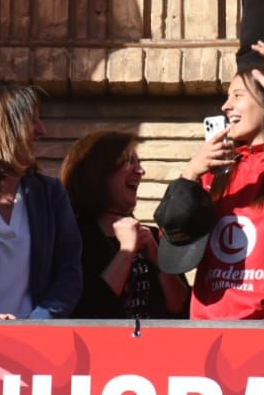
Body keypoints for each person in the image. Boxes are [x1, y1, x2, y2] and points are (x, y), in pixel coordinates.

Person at [157, 41, 264, 319]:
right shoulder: (216, 168)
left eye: (237, 95)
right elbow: (172, 239)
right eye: (227, 97)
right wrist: (190, 177)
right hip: (212, 329)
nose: (226, 106)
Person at [0, 82, 83, 320]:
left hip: (37, 343)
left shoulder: (51, 194)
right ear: (4, 128)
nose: (41, 130)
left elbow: (70, 273)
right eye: (32, 120)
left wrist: (36, 324)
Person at [60, 130, 189, 319]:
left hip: (153, 347)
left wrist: (159, 261)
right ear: (100, 173)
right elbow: (91, 311)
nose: (140, 171)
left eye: (139, 163)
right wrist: (126, 251)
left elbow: (182, 309)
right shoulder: (76, 238)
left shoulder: (154, 237)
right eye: (130, 162)